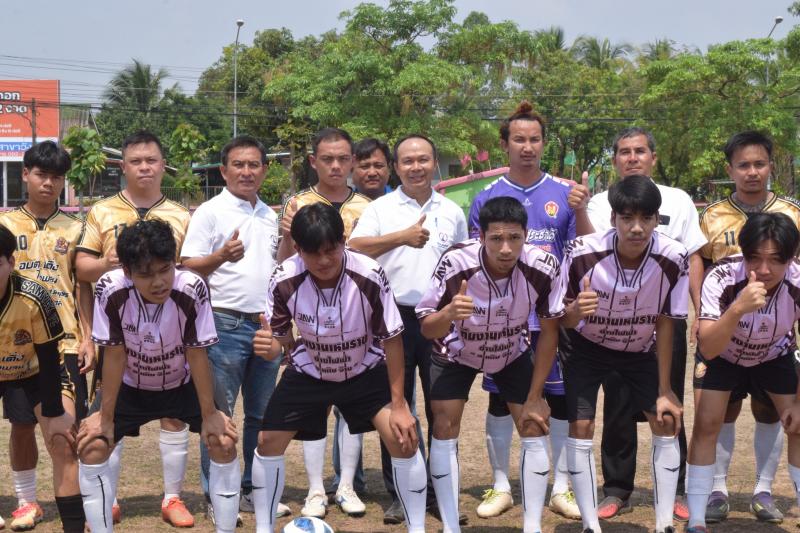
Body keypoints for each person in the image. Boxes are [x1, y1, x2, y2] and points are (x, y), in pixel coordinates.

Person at [250, 203, 424, 533]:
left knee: (403, 439)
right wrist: (268, 345)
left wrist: (400, 404)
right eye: (312, 253)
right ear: (297, 248)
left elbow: (392, 339)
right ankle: (263, 527)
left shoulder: (369, 273)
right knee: (267, 440)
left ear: (344, 241)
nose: (324, 260)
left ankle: (418, 527)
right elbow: (279, 340)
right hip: (310, 371)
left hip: (364, 370)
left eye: (331, 250)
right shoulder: (284, 278)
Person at [76, 219, 240, 533]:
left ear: (175, 262)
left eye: (165, 269)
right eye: (145, 274)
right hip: (131, 384)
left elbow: (197, 353)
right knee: (93, 445)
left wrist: (210, 414)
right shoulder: (110, 288)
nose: (159, 282)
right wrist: (105, 417)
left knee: (223, 441)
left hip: (183, 382)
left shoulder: (192, 287)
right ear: (127, 271)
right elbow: (115, 354)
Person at [466, 101, 589, 520]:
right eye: (519, 139)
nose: (527, 146)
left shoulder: (565, 193)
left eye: (535, 139)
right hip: (505, 320)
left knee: (559, 399)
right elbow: (476, 260)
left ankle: (561, 486)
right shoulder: (486, 197)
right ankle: (501, 485)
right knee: (501, 401)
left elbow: (582, 251)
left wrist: (582, 209)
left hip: (553, 317)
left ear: (543, 143)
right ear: (505, 144)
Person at [418, 196, 565, 533]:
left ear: (526, 235)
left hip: (511, 351)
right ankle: (451, 525)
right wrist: (449, 313)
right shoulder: (455, 261)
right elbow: (427, 328)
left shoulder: (543, 266)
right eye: (496, 238)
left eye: (514, 238)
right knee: (444, 426)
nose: (506, 249)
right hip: (456, 351)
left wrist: (536, 395)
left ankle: (532, 526)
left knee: (533, 424)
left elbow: (550, 332)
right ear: (481, 236)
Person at [553, 176, 687, 533]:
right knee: (582, 425)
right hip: (587, 348)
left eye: (646, 218)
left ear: (657, 220)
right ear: (613, 219)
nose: (637, 228)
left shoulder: (674, 256)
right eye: (627, 218)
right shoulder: (581, 252)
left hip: (639, 349)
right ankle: (589, 524)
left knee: (666, 420)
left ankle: (664, 523)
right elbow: (562, 319)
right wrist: (577, 311)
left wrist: (665, 388)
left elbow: (666, 322)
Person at [586, 127, 706, 522]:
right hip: (614, 321)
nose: (632, 157)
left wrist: (700, 311)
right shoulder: (599, 203)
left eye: (640, 151)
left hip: (665, 318)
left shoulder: (678, 199)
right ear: (615, 160)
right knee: (618, 406)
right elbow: (590, 251)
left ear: (653, 157)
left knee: (668, 402)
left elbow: (693, 256)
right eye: (624, 152)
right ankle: (616, 488)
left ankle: (675, 487)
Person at [74, 131, 194, 527]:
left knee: (174, 415)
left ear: (163, 165)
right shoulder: (102, 211)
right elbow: (81, 269)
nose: (145, 167)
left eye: (152, 160)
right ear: (123, 166)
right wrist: (109, 265)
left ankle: (173, 498)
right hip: (117, 332)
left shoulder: (181, 215)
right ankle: (107, 500)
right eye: (136, 161)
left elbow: (188, 271)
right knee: (112, 414)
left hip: (169, 332)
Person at [349, 133, 469, 524]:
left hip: (439, 319)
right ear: (396, 167)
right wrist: (401, 237)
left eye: (423, 159)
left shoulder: (451, 211)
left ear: (434, 163)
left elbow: (464, 264)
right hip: (392, 318)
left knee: (441, 408)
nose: (416, 167)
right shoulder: (380, 208)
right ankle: (402, 493)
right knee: (396, 406)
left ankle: (439, 493)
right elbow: (354, 248)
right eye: (407, 161)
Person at [181, 135, 287, 521]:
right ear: (224, 171)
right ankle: (216, 494)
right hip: (223, 322)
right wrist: (221, 256)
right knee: (218, 414)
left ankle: (250, 490)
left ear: (265, 170)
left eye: (254, 164)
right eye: (238, 165)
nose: (246, 172)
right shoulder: (210, 212)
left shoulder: (270, 215)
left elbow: (279, 265)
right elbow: (187, 266)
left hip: (264, 324)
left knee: (261, 415)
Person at [696, 131, 800, 523]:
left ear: (770, 166)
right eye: (743, 165)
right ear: (731, 169)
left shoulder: (792, 212)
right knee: (717, 413)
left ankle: (763, 490)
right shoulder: (712, 215)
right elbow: (699, 262)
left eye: (759, 164)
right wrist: (705, 315)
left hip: (774, 333)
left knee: (771, 411)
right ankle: (716, 490)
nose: (752, 172)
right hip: (725, 323)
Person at [277, 127, 372, 518]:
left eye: (343, 159)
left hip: (355, 319)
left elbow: (371, 265)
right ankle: (316, 489)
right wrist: (288, 236)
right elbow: (283, 261)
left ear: (352, 161)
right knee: (313, 407)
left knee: (351, 407)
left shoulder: (367, 206)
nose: (335, 166)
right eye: (327, 159)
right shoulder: (297, 203)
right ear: (313, 161)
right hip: (311, 320)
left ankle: (346, 485)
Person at [0, 141, 94, 531]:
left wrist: (88, 337)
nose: (48, 183)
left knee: (66, 432)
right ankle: (26, 502)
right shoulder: (6, 225)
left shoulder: (76, 228)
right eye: (41, 174)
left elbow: (83, 286)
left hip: (63, 343)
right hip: (12, 343)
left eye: (56, 177)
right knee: (21, 425)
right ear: (25, 174)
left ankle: (83, 505)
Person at [329, 136, 393, 498]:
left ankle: (397, 483)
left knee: (397, 401)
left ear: (390, 169)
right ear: (354, 167)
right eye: (364, 165)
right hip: (349, 314)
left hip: (393, 315)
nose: (371, 171)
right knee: (345, 403)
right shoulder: (345, 209)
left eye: (378, 165)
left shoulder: (400, 205)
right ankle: (347, 482)